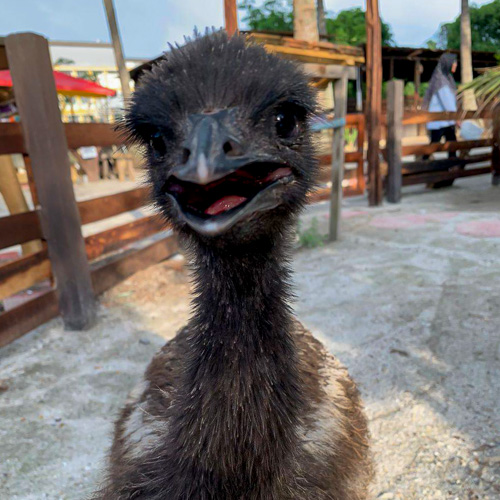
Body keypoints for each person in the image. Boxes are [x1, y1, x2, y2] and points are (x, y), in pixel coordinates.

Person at [422, 53, 459, 187]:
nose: (455, 65)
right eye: (454, 62)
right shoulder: (441, 79)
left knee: (451, 145)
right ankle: (422, 166)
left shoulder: (447, 78)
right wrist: (456, 118)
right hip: (439, 122)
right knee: (435, 146)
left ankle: (451, 171)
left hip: (446, 121)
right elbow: (447, 102)